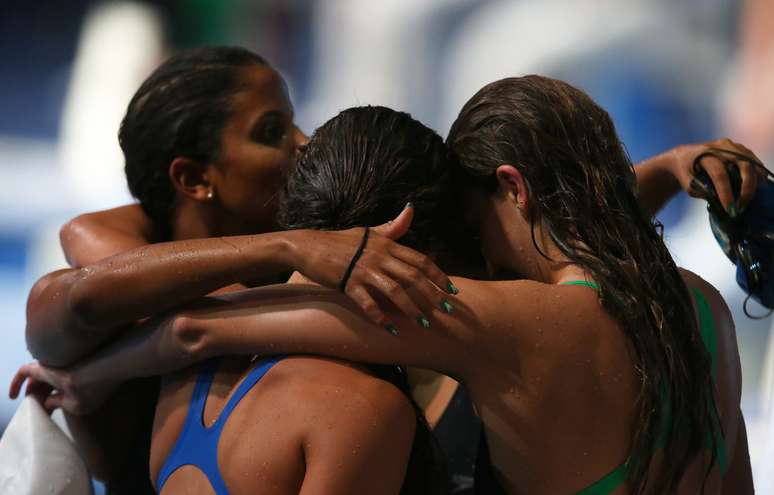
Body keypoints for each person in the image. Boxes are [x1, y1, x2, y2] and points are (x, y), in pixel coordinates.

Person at [16, 77, 757, 494]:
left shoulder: (497, 325)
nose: (478, 257)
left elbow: (192, 327)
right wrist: (661, 170)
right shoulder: (701, 307)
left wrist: (90, 376)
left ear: (511, 187)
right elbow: (592, 238)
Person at [21, 46, 452, 494]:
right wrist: (290, 247)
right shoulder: (121, 277)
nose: (304, 143)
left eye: (293, 121)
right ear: (194, 179)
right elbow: (81, 279)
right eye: (271, 132)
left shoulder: (290, 270)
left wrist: (97, 375)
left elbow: (190, 328)